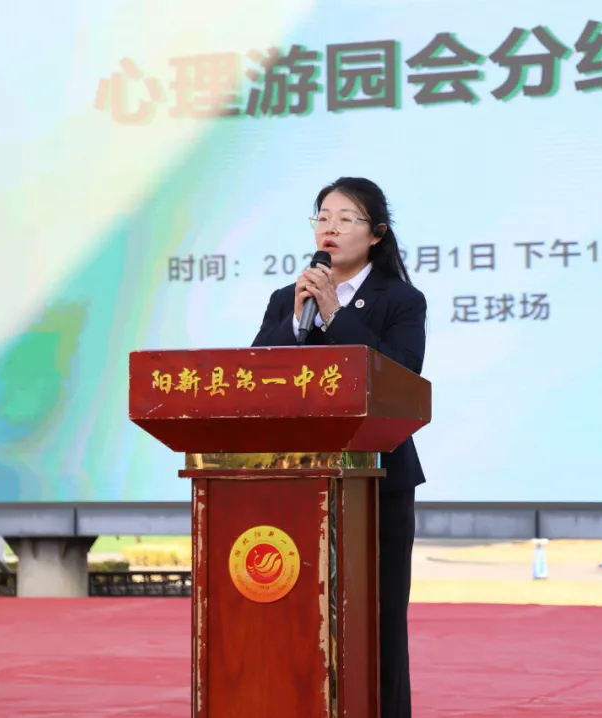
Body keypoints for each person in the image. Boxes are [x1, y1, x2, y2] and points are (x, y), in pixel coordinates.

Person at [251, 177, 426, 718]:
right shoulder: (287, 298)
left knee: (377, 617)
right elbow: (254, 376)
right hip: (297, 478)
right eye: (323, 217)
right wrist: (297, 319)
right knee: (301, 613)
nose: (330, 227)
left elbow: (400, 377)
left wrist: (335, 313)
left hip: (377, 479)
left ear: (376, 234)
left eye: (346, 218)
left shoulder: (401, 300)